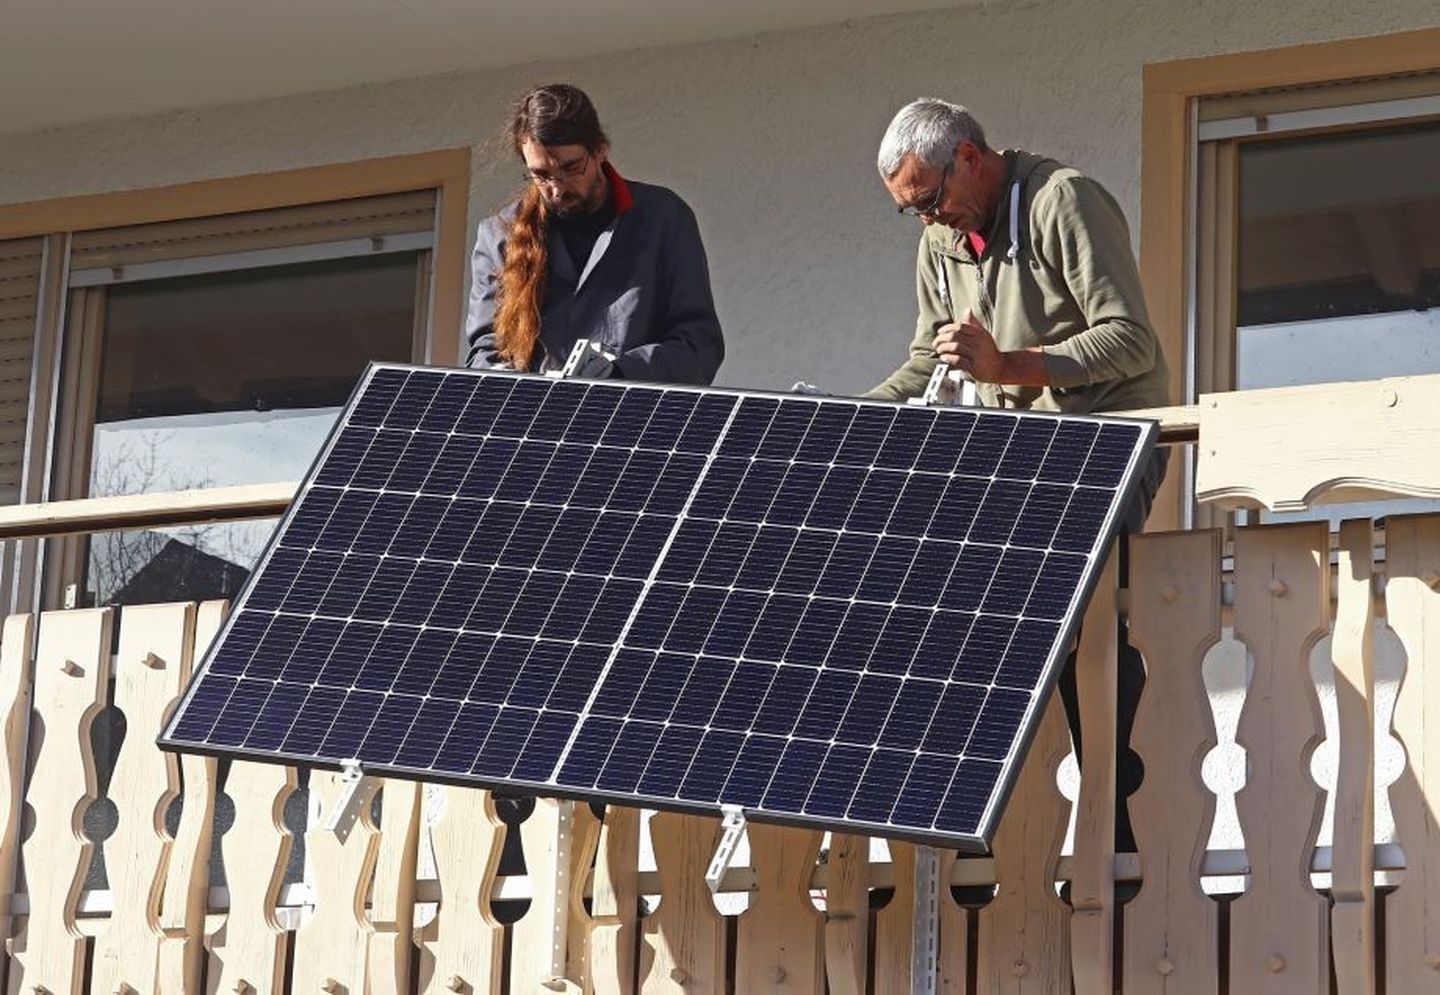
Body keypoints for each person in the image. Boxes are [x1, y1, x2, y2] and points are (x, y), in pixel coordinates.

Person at [871, 98, 1171, 853]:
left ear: (970, 156)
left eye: (932, 200)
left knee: (1077, 616)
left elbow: (1131, 340)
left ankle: (1112, 802)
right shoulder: (941, 241)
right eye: (911, 211)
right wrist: (853, 419)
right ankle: (979, 804)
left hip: (1108, 437)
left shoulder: (1062, 201)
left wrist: (1011, 366)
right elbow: (925, 359)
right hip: (1026, 455)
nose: (928, 222)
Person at [465, 83, 724, 384]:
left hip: (636, 422)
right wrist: (508, 385)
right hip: (532, 424)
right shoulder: (499, 237)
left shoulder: (663, 219)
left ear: (600, 150)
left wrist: (621, 372)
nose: (557, 188)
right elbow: (485, 353)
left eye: (571, 167)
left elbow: (698, 346)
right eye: (542, 175)